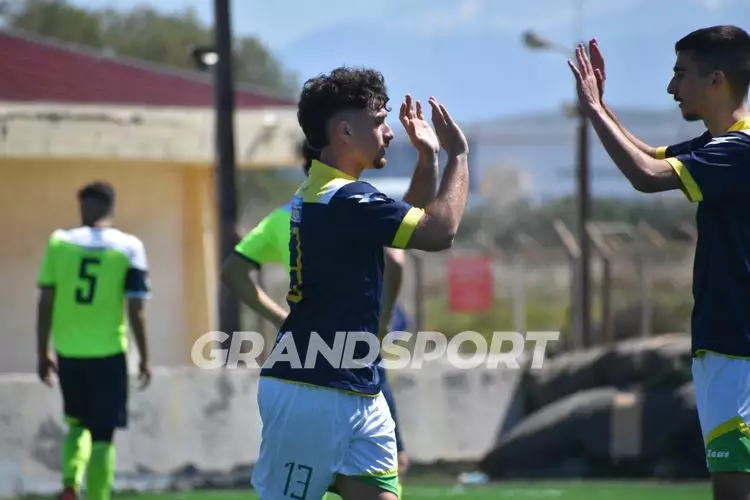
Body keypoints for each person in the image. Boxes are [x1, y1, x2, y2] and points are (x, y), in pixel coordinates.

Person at [250, 66, 469, 500]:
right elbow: (439, 232)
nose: (389, 132)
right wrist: (458, 156)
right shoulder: (346, 199)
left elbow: (402, 226)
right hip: (311, 391)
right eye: (379, 121)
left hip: (359, 387)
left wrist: (428, 159)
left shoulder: (331, 193)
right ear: (346, 131)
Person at [568, 26, 750, 500]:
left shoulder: (739, 150)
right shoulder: (720, 145)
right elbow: (651, 155)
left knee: (734, 487)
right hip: (727, 342)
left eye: (680, 73)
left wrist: (593, 110)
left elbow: (646, 176)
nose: (671, 87)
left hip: (738, 346)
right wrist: (601, 106)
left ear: (716, 80)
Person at [221, 142, 412, 497]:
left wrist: (280, 319)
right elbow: (396, 261)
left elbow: (233, 271)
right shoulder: (359, 205)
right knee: (383, 469)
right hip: (356, 356)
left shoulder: (286, 215)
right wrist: (382, 323)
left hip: (303, 363)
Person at [36, 181, 152, 500]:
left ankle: (71, 483)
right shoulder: (129, 246)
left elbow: (45, 300)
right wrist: (145, 356)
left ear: (85, 206)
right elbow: (136, 307)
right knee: (103, 436)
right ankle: (98, 496)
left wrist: (42, 351)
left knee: (76, 423)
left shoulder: (59, 242)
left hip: (69, 350)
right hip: (109, 351)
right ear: (111, 206)